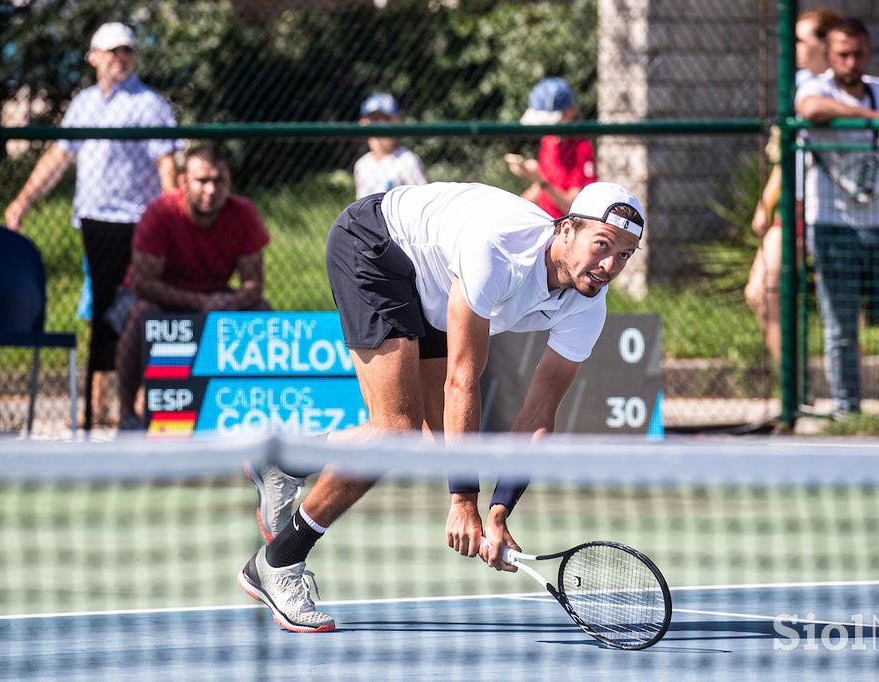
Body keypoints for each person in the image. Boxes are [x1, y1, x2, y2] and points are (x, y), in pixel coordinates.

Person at [238, 181, 645, 632]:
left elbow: (537, 416)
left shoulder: (589, 307)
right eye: (602, 245)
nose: (610, 265)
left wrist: (498, 511)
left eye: (625, 255)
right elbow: (462, 380)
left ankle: (285, 461)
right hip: (378, 243)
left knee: (429, 443)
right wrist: (463, 499)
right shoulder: (500, 252)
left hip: (433, 284)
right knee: (396, 432)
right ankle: (278, 561)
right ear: (566, 230)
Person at [3, 22, 181, 427]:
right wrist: (23, 200)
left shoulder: (149, 104)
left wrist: (170, 218)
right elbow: (58, 158)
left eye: (127, 51)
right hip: (94, 226)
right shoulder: (83, 103)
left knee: (137, 312)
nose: (121, 57)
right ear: (93, 57)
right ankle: (94, 409)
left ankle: (135, 408)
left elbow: (166, 165)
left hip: (138, 224)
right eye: (113, 50)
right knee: (100, 312)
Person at [796, 17, 879, 416]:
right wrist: (873, 120)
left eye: (859, 53)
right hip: (833, 226)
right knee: (842, 330)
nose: (852, 61)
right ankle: (846, 411)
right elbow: (811, 110)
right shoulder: (814, 87)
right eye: (843, 54)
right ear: (830, 57)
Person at [112, 144, 272, 430]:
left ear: (229, 182)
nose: (211, 190)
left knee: (263, 311)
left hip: (216, 298)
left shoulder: (244, 213)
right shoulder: (160, 212)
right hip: (159, 298)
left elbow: (254, 284)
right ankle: (127, 416)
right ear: (184, 181)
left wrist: (232, 301)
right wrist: (199, 302)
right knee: (140, 314)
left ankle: (261, 412)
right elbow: (143, 284)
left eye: (218, 181)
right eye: (202, 181)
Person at [745, 7, 840, 364]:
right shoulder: (799, 88)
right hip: (790, 206)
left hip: (815, 205)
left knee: (769, 293)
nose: (793, 48)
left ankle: (794, 383)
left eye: (801, 40)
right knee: (760, 293)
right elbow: (783, 162)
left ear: (825, 44)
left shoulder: (833, 92)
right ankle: (791, 378)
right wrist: (765, 204)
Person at [506, 77, 597, 218]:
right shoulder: (548, 141)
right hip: (545, 222)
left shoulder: (582, 148)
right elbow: (540, 191)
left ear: (569, 113)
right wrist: (508, 210)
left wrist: (541, 180)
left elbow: (571, 207)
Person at [353, 93, 427, 199]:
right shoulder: (362, 164)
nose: (379, 125)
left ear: (396, 122)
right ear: (363, 122)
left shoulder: (407, 160)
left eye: (385, 119)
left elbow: (422, 201)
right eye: (374, 119)